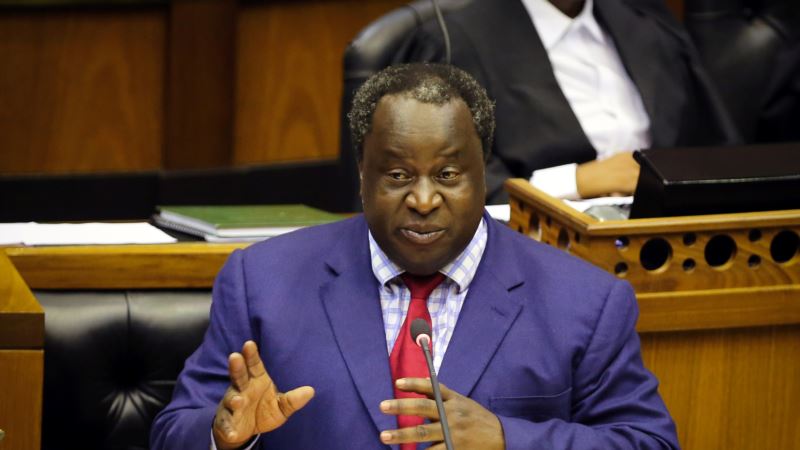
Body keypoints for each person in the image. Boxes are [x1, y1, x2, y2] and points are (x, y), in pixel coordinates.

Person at [151, 63, 679, 449]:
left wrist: (509, 439)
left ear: (483, 175)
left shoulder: (585, 302)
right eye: (398, 175)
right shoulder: (262, 281)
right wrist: (226, 437)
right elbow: (176, 430)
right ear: (363, 176)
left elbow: (647, 441)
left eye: (447, 175)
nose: (424, 200)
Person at [404, 0, 741, 203]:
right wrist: (577, 182)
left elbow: (713, 151)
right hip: (543, 249)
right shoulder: (456, 41)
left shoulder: (648, 21)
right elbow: (447, 180)